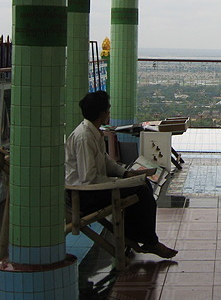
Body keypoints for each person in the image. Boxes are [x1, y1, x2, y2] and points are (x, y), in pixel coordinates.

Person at [65, 91, 177, 258]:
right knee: (141, 191)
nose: (109, 114)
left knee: (142, 184)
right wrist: (118, 181)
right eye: (108, 111)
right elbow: (88, 179)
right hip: (83, 195)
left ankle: (135, 235)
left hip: (92, 188)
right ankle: (150, 241)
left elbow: (106, 161)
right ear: (102, 114)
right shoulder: (84, 138)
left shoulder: (93, 132)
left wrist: (125, 174)